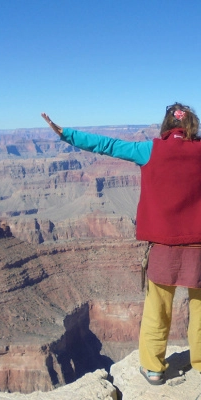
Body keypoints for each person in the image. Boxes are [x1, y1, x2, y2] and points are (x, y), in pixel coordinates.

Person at [41, 104, 201, 385]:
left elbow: (108, 145)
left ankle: (153, 369)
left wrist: (66, 134)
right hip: (200, 248)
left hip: (164, 248)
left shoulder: (150, 150)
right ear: (193, 126)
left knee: (157, 310)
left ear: (166, 126)